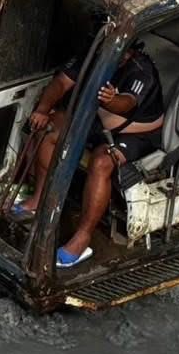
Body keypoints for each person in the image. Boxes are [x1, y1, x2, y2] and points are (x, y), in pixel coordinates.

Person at [10, 41, 164, 269]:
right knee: (49, 128)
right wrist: (43, 109)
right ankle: (39, 198)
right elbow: (61, 83)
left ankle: (82, 238)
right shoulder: (92, 54)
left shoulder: (142, 70)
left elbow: (128, 104)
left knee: (102, 161)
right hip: (96, 122)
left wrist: (112, 100)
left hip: (135, 135)